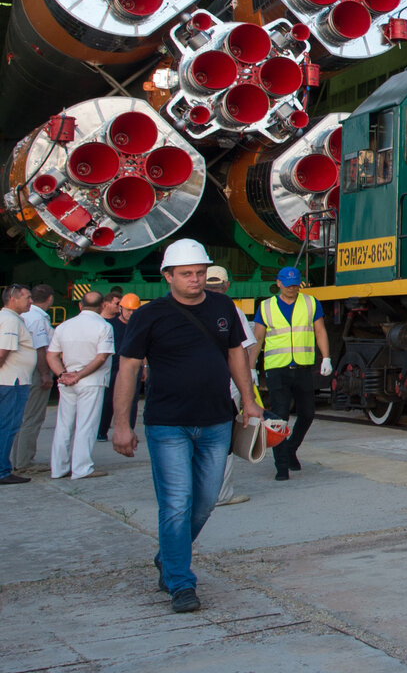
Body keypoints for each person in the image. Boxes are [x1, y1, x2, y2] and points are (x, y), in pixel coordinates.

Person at [112, 240, 263, 614]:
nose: (195, 280)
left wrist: (248, 400)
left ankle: (168, 555)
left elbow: (236, 356)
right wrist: (121, 424)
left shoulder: (223, 307)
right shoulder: (151, 315)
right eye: (186, 274)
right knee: (176, 503)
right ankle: (180, 582)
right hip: (168, 424)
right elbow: (128, 368)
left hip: (216, 421)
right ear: (168, 276)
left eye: (199, 273)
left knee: (206, 501)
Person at [256, 268, 330, 482]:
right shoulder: (266, 306)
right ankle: (281, 467)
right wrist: (251, 368)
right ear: (278, 283)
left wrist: (326, 357)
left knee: (307, 414)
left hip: (303, 368)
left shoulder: (310, 303)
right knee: (280, 418)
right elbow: (258, 338)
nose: (292, 287)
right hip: (277, 369)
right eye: (288, 283)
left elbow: (320, 330)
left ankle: (290, 449)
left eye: (295, 283)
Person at [47, 291, 114, 480]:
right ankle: (81, 468)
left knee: (63, 425)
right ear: (102, 307)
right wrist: (80, 375)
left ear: (80, 305)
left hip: (66, 381)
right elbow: (102, 357)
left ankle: (58, 468)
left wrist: (63, 374)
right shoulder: (104, 327)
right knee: (86, 425)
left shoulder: (63, 326)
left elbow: (51, 355)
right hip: (91, 382)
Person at [204, 267, 257, 506]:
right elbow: (243, 350)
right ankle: (220, 494)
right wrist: (249, 390)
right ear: (227, 285)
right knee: (222, 438)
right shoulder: (230, 310)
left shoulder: (184, 308)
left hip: (194, 384)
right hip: (226, 384)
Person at [11, 285, 55, 473]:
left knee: (21, 417)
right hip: (37, 372)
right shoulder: (37, 319)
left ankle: (16, 459)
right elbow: (40, 349)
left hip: (23, 372)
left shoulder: (24, 316)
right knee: (33, 417)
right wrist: (45, 374)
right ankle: (24, 462)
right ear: (50, 299)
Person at [0, 285, 37, 484]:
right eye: (27, 297)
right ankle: (2, 472)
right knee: (7, 426)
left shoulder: (8, 318)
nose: (30, 301)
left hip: (11, 380)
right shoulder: (9, 320)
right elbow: (3, 352)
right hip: (12, 382)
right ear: (14, 298)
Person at [95, 294, 126, 441]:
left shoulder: (118, 323)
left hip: (114, 366)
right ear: (105, 304)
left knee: (109, 401)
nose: (119, 307)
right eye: (117, 303)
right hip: (98, 366)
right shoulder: (98, 323)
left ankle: (102, 431)